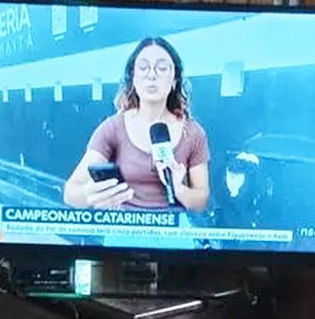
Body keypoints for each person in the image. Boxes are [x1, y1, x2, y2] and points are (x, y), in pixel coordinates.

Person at [62, 37, 211, 214]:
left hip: (174, 227)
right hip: (126, 226)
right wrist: (89, 195)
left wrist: (179, 190)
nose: (152, 75)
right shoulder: (112, 129)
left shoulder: (192, 133)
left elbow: (201, 200)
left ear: (175, 80)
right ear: (133, 77)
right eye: (143, 67)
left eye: (162, 68)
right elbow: (70, 193)